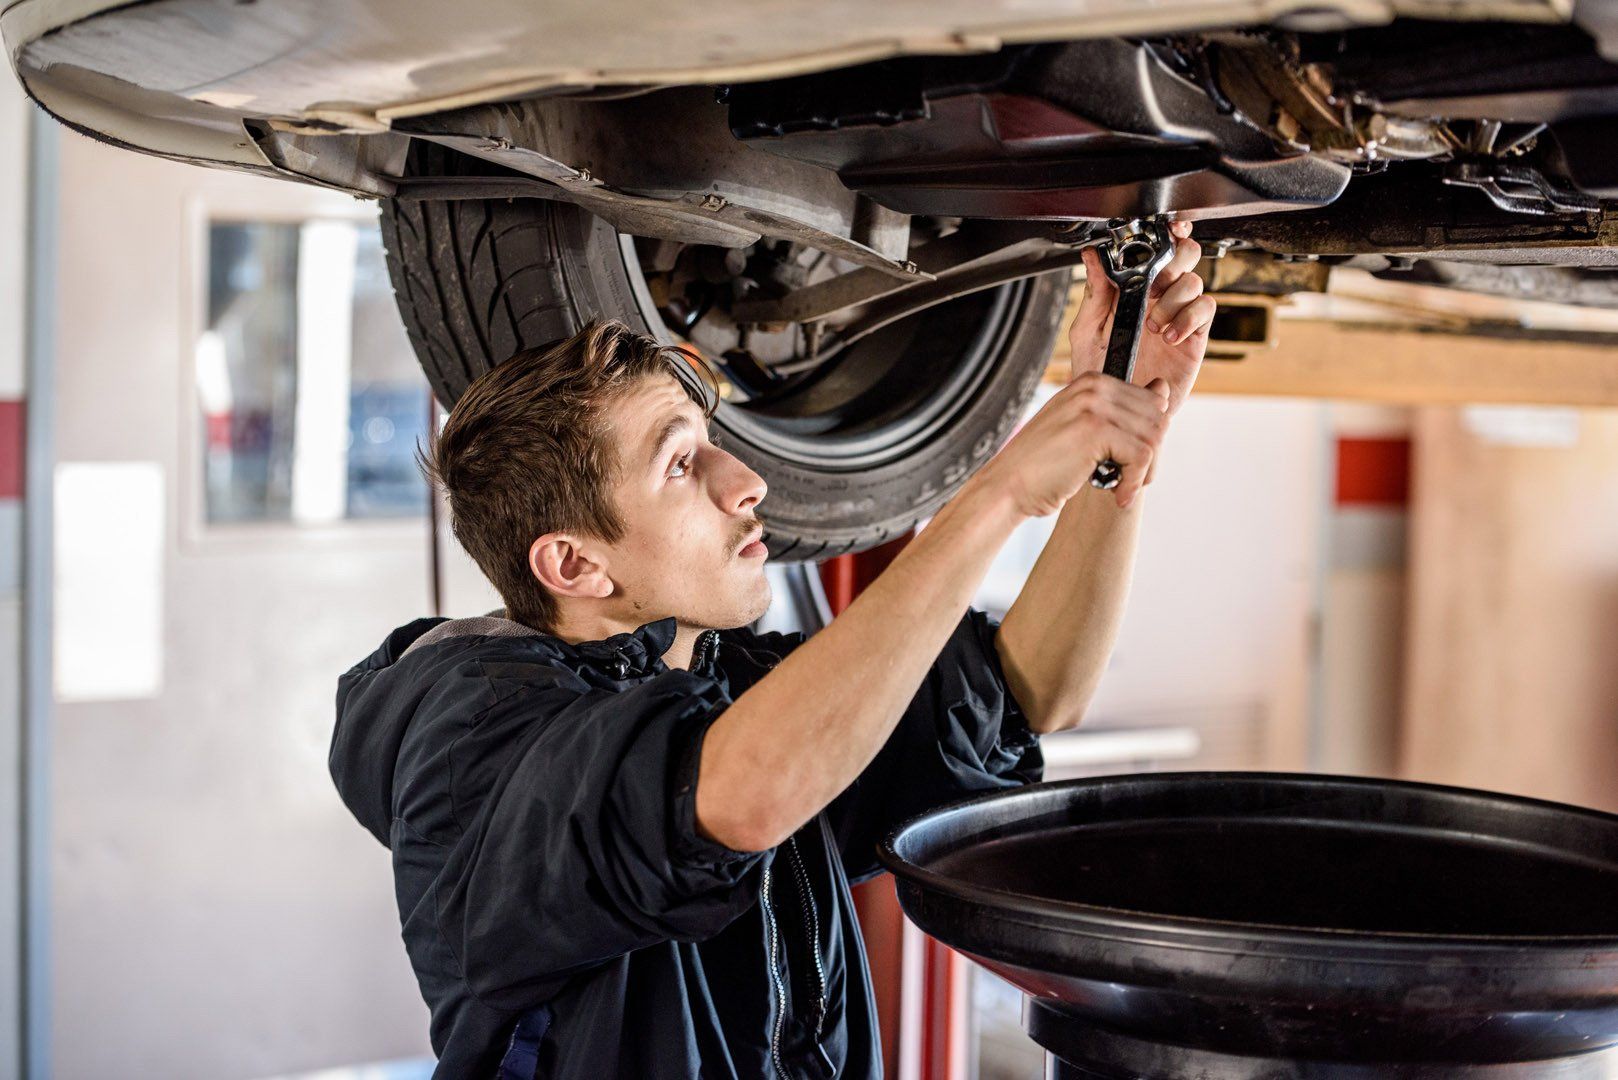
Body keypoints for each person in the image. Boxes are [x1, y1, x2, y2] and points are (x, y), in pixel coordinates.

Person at [329, 221, 1214, 1079]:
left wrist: (1121, 442)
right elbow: (731, 796)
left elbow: (1026, 693)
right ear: (574, 563)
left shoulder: (723, 682)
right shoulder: (473, 746)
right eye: (681, 465)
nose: (747, 483)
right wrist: (1000, 496)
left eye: (714, 446)